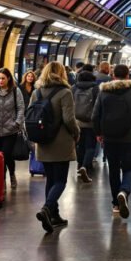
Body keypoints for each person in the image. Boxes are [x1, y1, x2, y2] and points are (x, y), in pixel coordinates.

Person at [92, 64, 131, 219]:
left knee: (113, 170)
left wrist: (98, 133)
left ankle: (116, 203)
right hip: (129, 138)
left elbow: (95, 115)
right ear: (128, 75)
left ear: (113, 75)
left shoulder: (104, 92)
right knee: (129, 168)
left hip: (109, 137)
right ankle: (124, 191)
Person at [32, 62, 79, 233]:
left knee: (50, 180)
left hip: (42, 142)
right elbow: (68, 119)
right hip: (60, 142)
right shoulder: (65, 93)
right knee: (60, 181)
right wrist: (76, 132)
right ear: (62, 74)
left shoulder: (36, 92)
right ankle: (46, 209)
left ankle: (54, 215)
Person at [72, 69, 99, 183]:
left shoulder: (73, 88)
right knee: (91, 146)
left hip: (77, 121)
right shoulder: (95, 89)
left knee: (79, 145)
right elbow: (98, 106)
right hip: (91, 122)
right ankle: (85, 166)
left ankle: (79, 165)